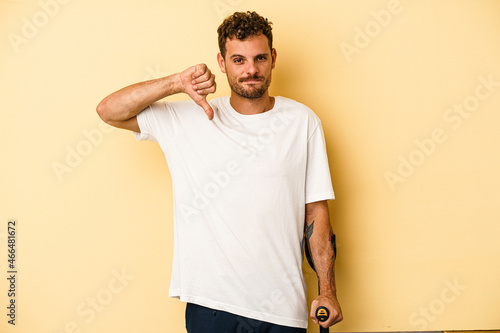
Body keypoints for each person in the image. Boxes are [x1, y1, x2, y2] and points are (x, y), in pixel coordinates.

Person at [97, 11, 342, 333]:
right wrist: (175, 83)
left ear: (273, 59)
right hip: (211, 307)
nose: (251, 70)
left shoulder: (302, 121)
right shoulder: (187, 119)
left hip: (283, 307)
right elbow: (109, 110)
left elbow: (316, 212)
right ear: (221, 62)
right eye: (238, 60)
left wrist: (328, 291)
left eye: (259, 58)